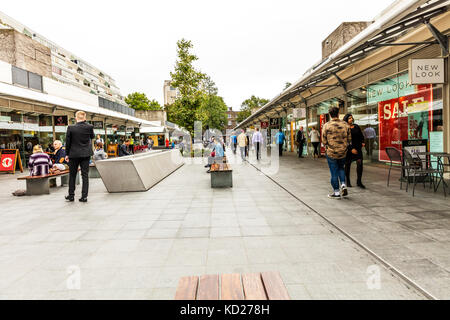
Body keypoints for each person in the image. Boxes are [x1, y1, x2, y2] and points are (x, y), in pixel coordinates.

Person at [64, 111, 95, 203]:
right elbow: (92, 137)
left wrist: (67, 154)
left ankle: (71, 195)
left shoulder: (71, 128)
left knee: (72, 175)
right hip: (86, 154)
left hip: (73, 154)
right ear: (85, 118)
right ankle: (84, 196)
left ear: (76, 118)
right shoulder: (90, 127)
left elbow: (68, 142)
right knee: (85, 175)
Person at [322, 107, 351, 199]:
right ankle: (343, 184)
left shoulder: (326, 125)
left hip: (331, 152)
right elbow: (350, 139)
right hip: (343, 152)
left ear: (330, 115)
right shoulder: (345, 124)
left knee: (334, 172)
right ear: (338, 114)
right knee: (341, 168)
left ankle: (337, 193)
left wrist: (328, 146)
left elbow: (324, 140)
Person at [344, 114, 366, 189]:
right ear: (346, 119)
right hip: (349, 149)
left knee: (360, 164)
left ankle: (359, 181)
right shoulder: (345, 128)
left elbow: (361, 135)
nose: (351, 119)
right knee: (348, 165)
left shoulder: (356, 126)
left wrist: (363, 141)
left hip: (358, 148)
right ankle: (348, 181)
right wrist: (351, 148)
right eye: (349, 118)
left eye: (351, 118)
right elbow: (345, 140)